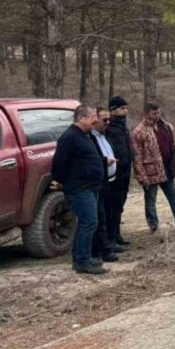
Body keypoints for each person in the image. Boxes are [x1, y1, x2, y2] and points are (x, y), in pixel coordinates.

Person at [51, 105, 109, 275]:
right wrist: (64, 182)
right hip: (79, 189)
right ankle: (82, 261)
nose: (96, 120)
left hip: (90, 187)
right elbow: (58, 165)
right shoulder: (69, 137)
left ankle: (82, 257)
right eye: (92, 116)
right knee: (89, 222)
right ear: (81, 118)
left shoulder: (84, 135)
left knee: (88, 223)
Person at [132, 102, 175, 233]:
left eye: (158, 112)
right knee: (151, 199)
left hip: (167, 168)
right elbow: (137, 155)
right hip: (150, 171)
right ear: (146, 113)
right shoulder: (139, 131)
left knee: (174, 196)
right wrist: (141, 175)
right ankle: (153, 225)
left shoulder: (167, 126)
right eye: (154, 113)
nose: (157, 115)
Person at [103, 96, 134, 249]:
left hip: (125, 172)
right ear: (113, 110)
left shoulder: (123, 126)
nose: (125, 111)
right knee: (112, 207)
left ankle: (117, 235)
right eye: (122, 108)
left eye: (126, 108)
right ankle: (110, 238)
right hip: (114, 173)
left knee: (119, 205)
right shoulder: (108, 128)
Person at [89, 108, 119, 263]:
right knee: (99, 217)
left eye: (109, 119)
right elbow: (91, 160)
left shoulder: (105, 135)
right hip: (98, 182)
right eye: (104, 120)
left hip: (111, 180)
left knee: (109, 213)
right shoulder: (90, 138)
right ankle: (101, 251)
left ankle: (109, 244)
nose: (108, 123)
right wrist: (105, 161)